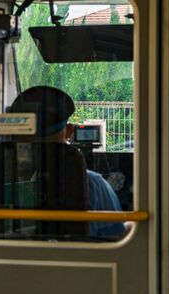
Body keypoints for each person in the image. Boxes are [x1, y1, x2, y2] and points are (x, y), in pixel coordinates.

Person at [9, 85, 132, 239]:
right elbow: (118, 238)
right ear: (69, 131)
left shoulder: (1, 177)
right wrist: (132, 224)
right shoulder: (92, 183)